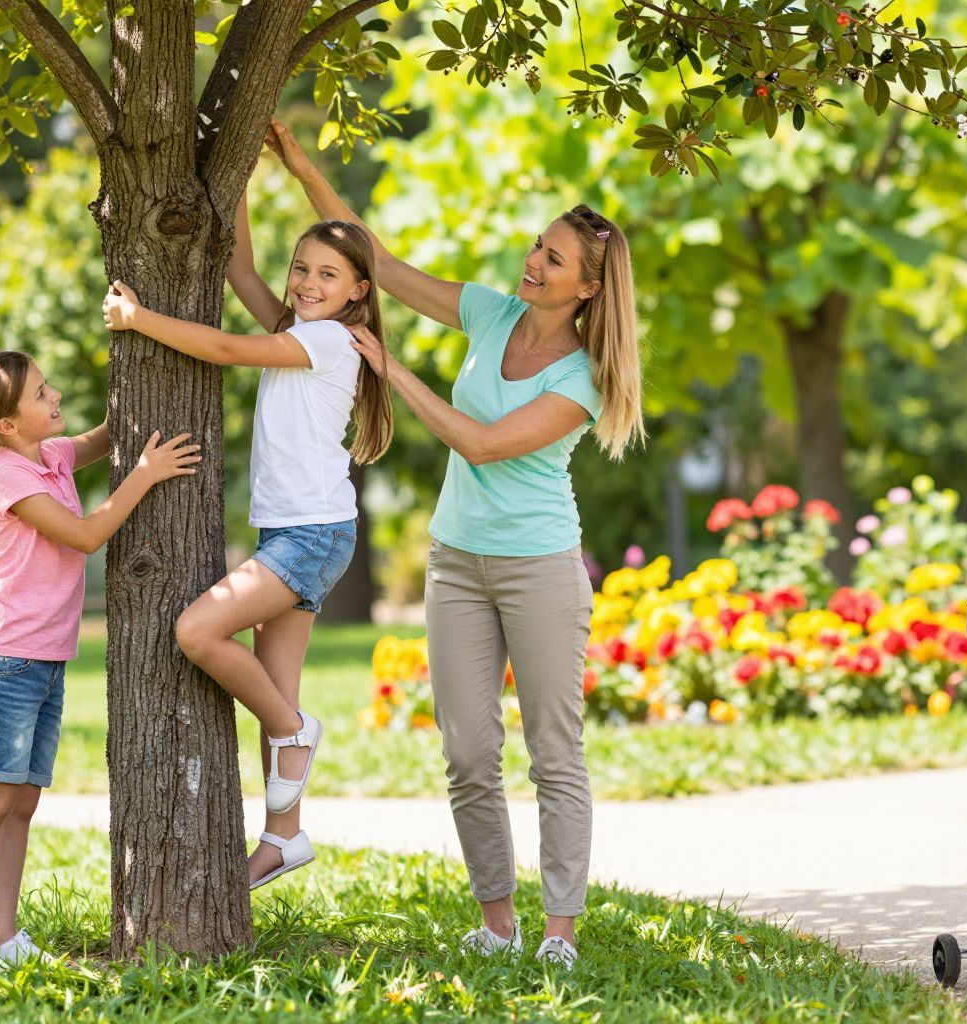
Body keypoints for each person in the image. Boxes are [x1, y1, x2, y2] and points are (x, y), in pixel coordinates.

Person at [267, 117, 644, 969]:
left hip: (539, 566)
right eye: (536, 247)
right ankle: (497, 922)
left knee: (555, 750)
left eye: (551, 259)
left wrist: (392, 372)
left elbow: (480, 443)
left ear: (584, 288)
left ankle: (559, 933)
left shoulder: (580, 377)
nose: (532, 262)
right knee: (468, 750)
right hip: (455, 559)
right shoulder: (490, 310)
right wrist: (302, 170)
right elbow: (384, 268)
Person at [101, 208, 393, 890]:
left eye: (328, 274)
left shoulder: (330, 341)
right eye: (302, 269)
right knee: (272, 686)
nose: (307, 282)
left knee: (198, 632)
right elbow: (239, 269)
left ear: (358, 291)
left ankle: (296, 731)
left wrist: (138, 320)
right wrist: (236, 184)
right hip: (298, 531)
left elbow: (227, 349)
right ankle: (283, 838)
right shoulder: (299, 327)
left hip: (311, 533)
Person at [0, 351, 199, 969]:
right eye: (39, 394)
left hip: (44, 659)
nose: (54, 394)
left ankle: (3, 936)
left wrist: (142, 369)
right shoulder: (8, 476)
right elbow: (85, 537)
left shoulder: (49, 455)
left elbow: (101, 434)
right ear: (7, 425)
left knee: (23, 802)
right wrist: (145, 473)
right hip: (6, 661)